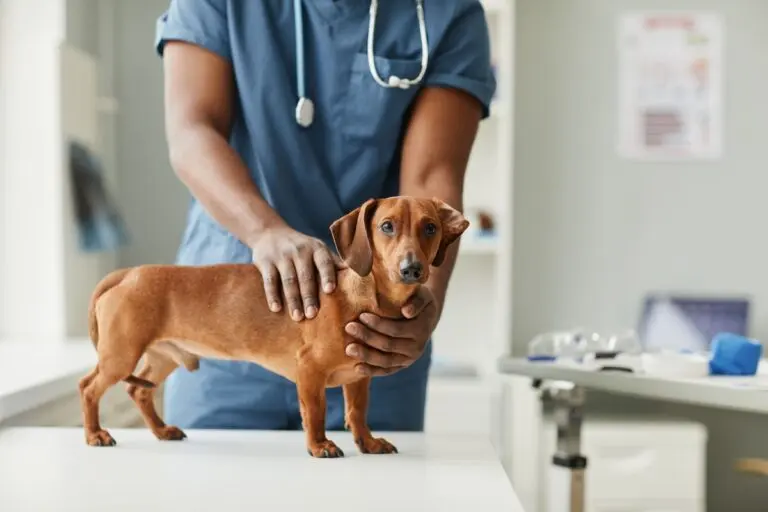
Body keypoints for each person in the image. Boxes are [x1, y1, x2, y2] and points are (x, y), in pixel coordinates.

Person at [154, 0, 497, 431]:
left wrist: (422, 301)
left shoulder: (447, 13)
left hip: (371, 337)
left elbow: (431, 176)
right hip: (231, 322)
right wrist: (263, 230)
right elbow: (192, 130)